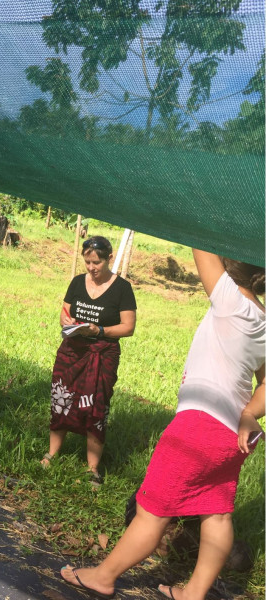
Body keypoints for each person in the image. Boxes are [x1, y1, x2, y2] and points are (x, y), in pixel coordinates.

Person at [60, 249, 265, 600]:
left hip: (198, 427)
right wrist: (249, 415)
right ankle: (193, 594)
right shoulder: (263, 318)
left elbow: (199, 244)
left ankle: (103, 577)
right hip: (233, 436)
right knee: (216, 517)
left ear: (230, 269)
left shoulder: (229, 299)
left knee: (151, 511)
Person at [41, 235, 137, 483]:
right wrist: (67, 322)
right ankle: (51, 454)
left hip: (102, 353)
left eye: (97, 263)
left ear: (109, 259)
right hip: (72, 350)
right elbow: (64, 313)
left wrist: (100, 331)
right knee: (61, 398)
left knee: (96, 406)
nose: (92, 268)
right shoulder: (76, 282)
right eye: (88, 263)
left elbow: (128, 327)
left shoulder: (122, 289)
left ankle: (92, 468)